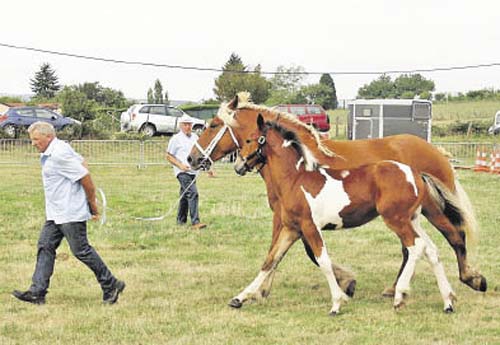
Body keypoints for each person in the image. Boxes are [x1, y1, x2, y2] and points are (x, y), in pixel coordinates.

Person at [12, 122, 125, 305]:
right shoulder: (56, 149)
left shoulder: (59, 154)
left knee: (81, 250)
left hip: (69, 212)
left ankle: (110, 284)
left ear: (48, 137)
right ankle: (37, 292)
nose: (33, 143)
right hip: (56, 213)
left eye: (35, 139)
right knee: (45, 246)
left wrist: (92, 205)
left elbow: (85, 177)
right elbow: (82, 161)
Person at [166, 115, 208, 229]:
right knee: (193, 193)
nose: (188, 127)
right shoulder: (175, 139)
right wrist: (180, 165)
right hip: (182, 172)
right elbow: (169, 156)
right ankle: (195, 222)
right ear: (180, 125)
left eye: (190, 124)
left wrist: (209, 169)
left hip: (193, 171)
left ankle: (181, 220)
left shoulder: (195, 137)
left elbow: (200, 153)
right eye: (185, 124)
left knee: (185, 195)